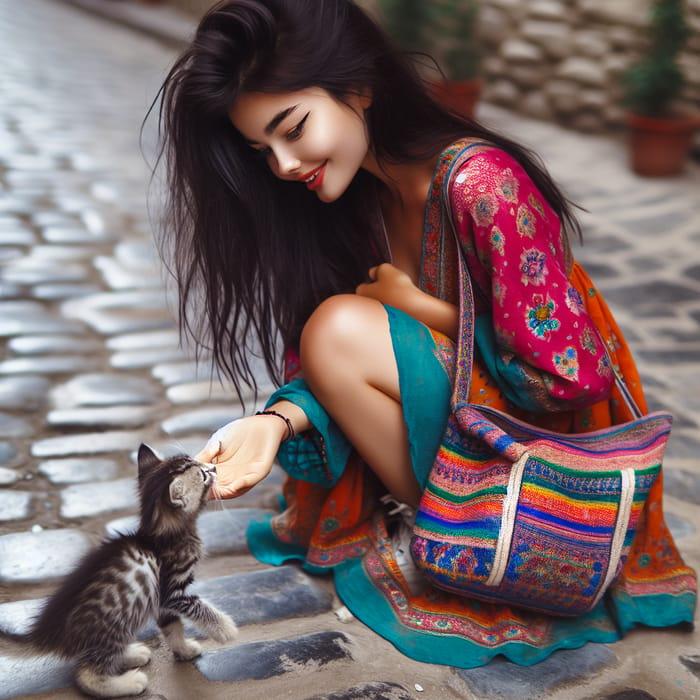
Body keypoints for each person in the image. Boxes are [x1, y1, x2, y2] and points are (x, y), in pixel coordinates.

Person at [153, 0, 696, 668]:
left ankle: (472, 529)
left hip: (546, 453)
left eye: (292, 129)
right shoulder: (359, 200)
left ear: (358, 88)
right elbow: (358, 358)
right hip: (471, 430)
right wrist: (275, 424)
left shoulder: (483, 184)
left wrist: (420, 307)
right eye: (263, 150)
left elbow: (570, 376)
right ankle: (447, 521)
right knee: (336, 326)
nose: (286, 165)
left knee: (338, 323)